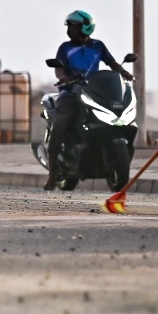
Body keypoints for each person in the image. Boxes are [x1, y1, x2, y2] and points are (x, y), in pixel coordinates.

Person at [43, 10, 133, 190]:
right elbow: (59, 68)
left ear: (85, 27)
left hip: (94, 91)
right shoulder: (65, 48)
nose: (70, 30)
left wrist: (123, 72)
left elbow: (112, 63)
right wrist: (63, 78)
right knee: (60, 127)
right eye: (69, 27)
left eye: (74, 26)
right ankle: (52, 174)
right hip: (70, 93)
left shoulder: (98, 46)